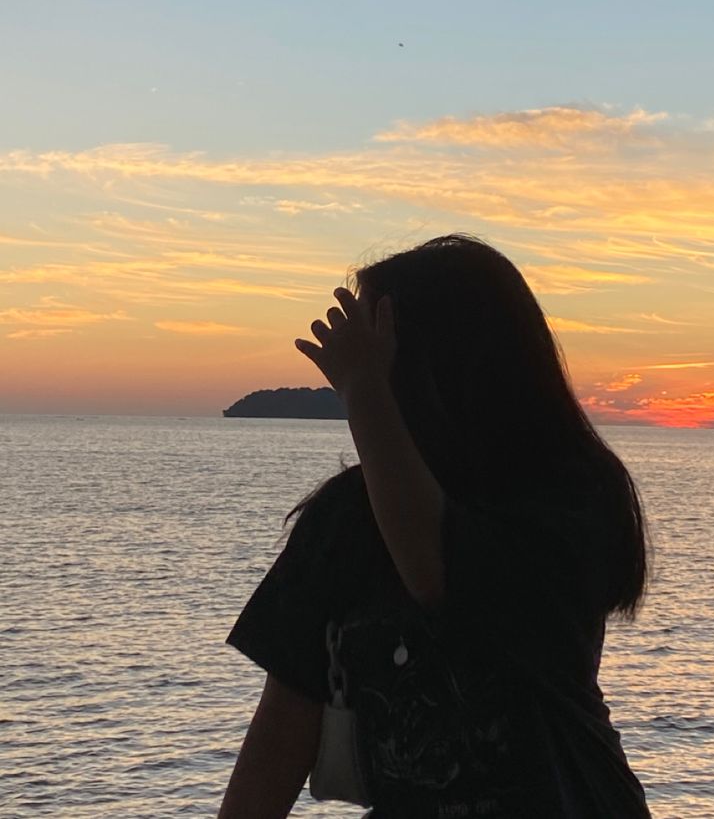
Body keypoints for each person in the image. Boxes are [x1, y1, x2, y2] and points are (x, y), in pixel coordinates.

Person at [218, 233, 654, 819]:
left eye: (377, 337)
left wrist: (363, 390)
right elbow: (285, 721)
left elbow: (436, 570)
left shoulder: (569, 496)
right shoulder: (346, 516)